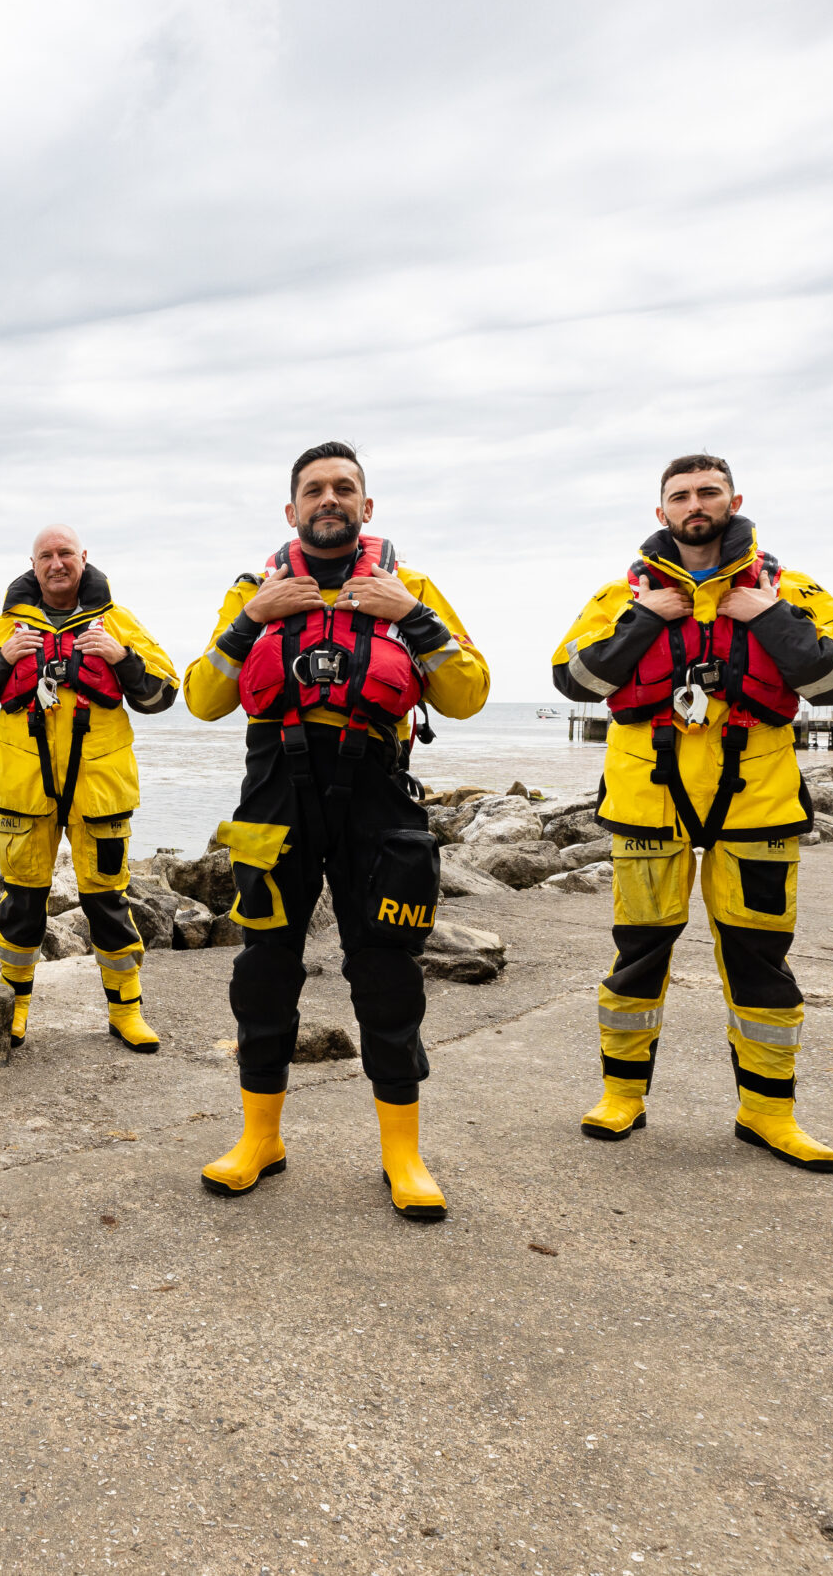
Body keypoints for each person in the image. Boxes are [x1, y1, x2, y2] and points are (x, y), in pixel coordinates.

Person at [183, 442, 489, 1220]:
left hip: (377, 797)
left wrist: (409, 616)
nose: (330, 499)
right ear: (292, 510)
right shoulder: (253, 591)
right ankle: (260, 1139)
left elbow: (467, 695)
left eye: (344, 488)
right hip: (275, 796)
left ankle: (402, 1154)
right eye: (315, 489)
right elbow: (204, 700)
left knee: (387, 973)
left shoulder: (409, 586)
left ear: (366, 506)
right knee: (264, 969)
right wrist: (252, 620)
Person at [551, 454, 833, 1171]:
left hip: (757, 802)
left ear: (734, 499)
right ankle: (621, 1097)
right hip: (650, 803)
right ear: (660, 511)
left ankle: (769, 1113)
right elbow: (573, 678)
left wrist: (772, 618)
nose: (694, 504)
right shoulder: (619, 595)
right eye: (680, 495)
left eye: (708, 492)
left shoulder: (791, 590)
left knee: (761, 960)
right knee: (639, 955)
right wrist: (643, 620)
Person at [0, 524, 178, 1051]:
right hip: (24, 789)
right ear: (32, 565)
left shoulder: (118, 622)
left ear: (83, 558)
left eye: (65, 554)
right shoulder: (5, 627)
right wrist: (4, 658)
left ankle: (126, 1012)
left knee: (108, 900)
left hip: (99, 788)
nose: (56, 563)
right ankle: (14, 1009)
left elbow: (163, 694)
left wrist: (121, 657)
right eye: (46, 556)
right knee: (21, 904)